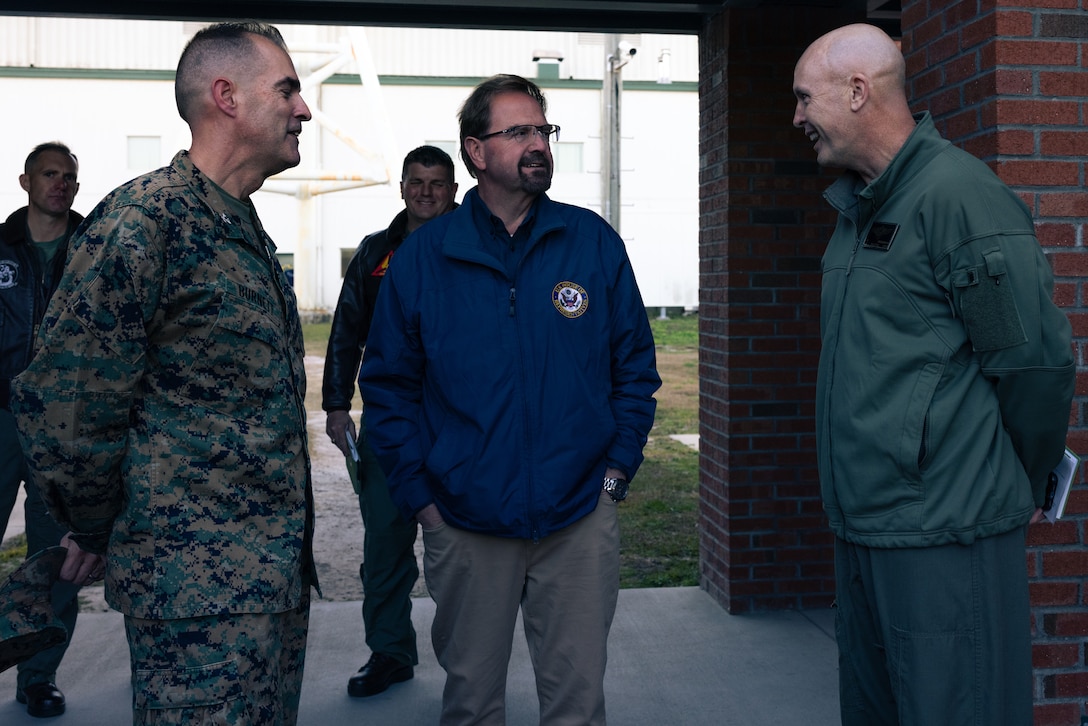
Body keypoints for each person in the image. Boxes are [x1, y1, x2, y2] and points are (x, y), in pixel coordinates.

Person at [12, 21, 316, 725]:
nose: (303, 110)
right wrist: (94, 525)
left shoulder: (238, 224)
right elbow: (68, 405)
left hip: (267, 586)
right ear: (226, 97)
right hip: (193, 598)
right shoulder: (146, 221)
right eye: (288, 90)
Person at [793, 23, 1075, 725]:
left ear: (857, 92)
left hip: (944, 530)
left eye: (804, 98)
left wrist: (1024, 476)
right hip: (867, 526)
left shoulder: (957, 197)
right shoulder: (860, 208)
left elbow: (1031, 360)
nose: (796, 118)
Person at [359, 74, 660, 725]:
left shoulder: (591, 242)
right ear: (475, 151)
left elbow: (634, 366)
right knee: (471, 705)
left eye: (543, 129)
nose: (538, 144)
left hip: (578, 516)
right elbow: (387, 388)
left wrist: (614, 476)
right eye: (518, 131)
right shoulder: (424, 258)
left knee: (578, 705)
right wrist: (424, 501)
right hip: (466, 523)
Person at [322, 144, 458, 698]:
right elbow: (346, 330)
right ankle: (389, 651)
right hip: (390, 425)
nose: (426, 191)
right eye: (415, 181)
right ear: (402, 188)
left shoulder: (478, 243)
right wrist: (336, 405)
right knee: (385, 543)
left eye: (436, 182)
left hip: (459, 425)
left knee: (463, 550)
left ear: (454, 189)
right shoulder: (377, 254)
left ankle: (469, 659)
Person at [0, 141, 105, 718]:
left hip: (66, 428)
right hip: (0, 419)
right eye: (49, 174)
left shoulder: (94, 251)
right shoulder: (0, 247)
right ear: (25, 182)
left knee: (57, 553)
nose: (60, 185)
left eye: (69, 177)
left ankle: (39, 677)